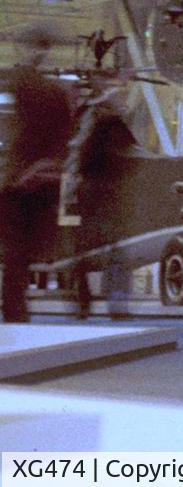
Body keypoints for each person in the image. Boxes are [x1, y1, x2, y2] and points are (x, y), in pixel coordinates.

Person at [1, 22, 75, 322]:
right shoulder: (56, 92)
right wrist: (48, 166)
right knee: (24, 249)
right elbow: (64, 137)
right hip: (41, 179)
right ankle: (16, 309)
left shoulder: (14, 81)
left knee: (15, 249)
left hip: (15, 179)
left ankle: (15, 309)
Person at [68, 48, 141, 318]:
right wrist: (120, 85)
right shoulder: (93, 111)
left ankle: (109, 301)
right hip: (92, 185)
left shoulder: (108, 114)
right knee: (92, 245)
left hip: (106, 185)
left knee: (111, 245)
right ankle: (86, 298)